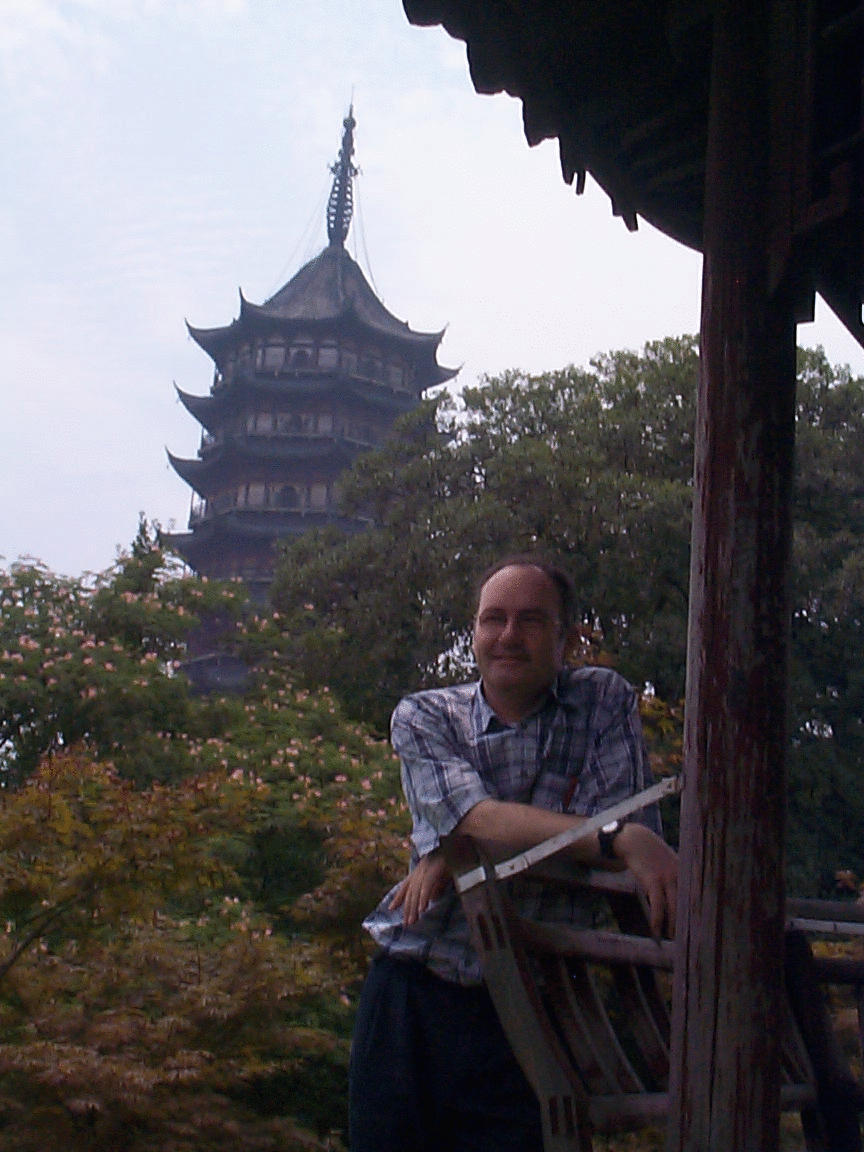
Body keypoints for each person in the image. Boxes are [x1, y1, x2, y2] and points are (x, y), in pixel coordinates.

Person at [349, 556, 678, 1152]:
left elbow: (625, 846)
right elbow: (479, 818)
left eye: (530, 620)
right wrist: (606, 837)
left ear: (566, 637)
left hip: (538, 1004)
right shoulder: (426, 715)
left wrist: (456, 850)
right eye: (492, 619)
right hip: (415, 984)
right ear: (473, 632)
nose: (508, 635)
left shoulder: (601, 701)